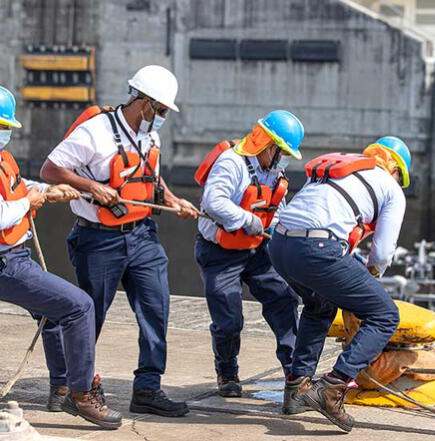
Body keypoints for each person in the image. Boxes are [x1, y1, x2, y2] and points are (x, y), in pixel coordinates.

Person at [39, 65, 200, 417]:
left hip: (143, 235)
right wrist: (92, 186)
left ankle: (147, 388)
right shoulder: (95, 131)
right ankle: (71, 387)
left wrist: (173, 200)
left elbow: (150, 176)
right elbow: (50, 170)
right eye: (159, 111)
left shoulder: (150, 136)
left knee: (156, 310)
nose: (161, 118)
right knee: (88, 316)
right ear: (142, 102)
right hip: (98, 240)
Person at [268, 136, 411, 431]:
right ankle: (332, 389)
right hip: (316, 249)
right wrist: (370, 275)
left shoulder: (342, 170)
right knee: (384, 315)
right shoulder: (392, 189)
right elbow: (382, 252)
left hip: (280, 245)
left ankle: (296, 389)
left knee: (319, 304)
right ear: (396, 170)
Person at [0, 85, 122, 429]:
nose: (5, 133)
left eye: (6, 127)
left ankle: (61, 386)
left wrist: (45, 191)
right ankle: (80, 396)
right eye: (2, 127)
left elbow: (15, 186)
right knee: (79, 306)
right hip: (6, 263)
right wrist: (30, 203)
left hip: (14, 257)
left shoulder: (2, 160)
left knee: (50, 310)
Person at [194, 110, 302, 405]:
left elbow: (277, 208)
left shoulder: (274, 171)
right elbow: (212, 202)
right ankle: (227, 373)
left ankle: (295, 374)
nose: (285, 160)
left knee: (284, 299)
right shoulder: (231, 163)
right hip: (220, 252)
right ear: (268, 145)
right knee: (229, 319)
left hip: (257, 250)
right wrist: (246, 219)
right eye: (283, 153)